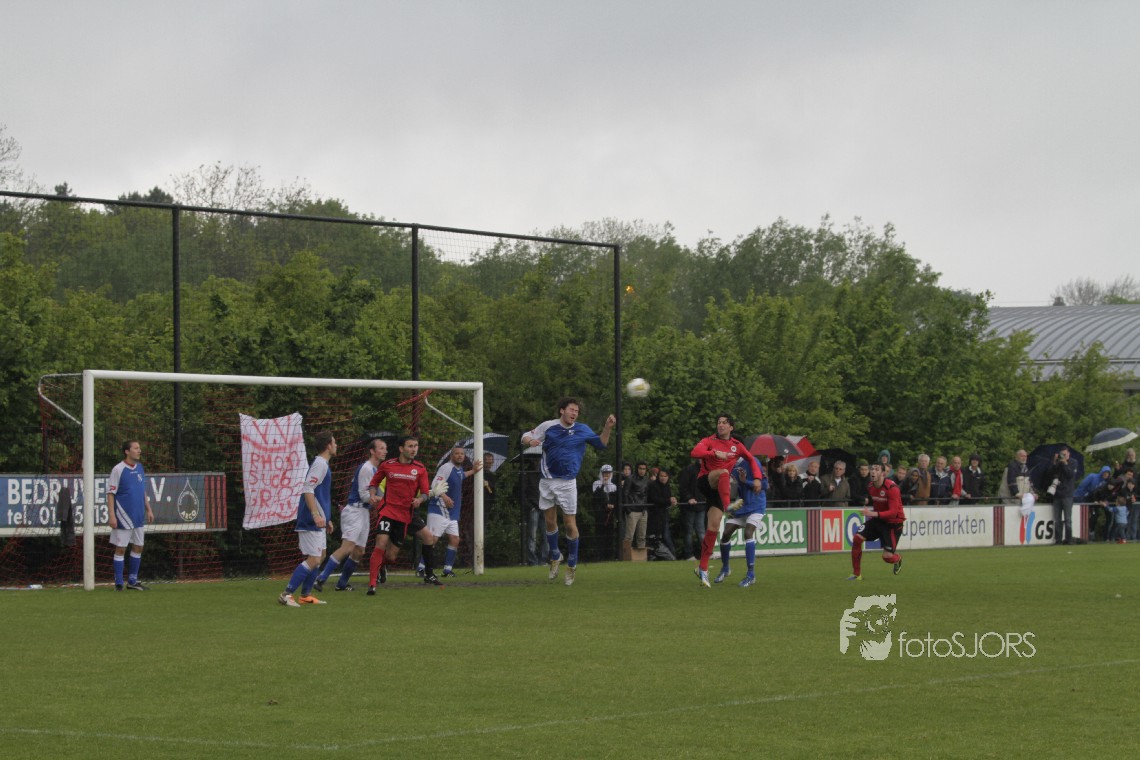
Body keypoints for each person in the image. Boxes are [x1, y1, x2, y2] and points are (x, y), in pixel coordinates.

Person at [521, 397, 616, 586]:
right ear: (562, 411)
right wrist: (531, 440)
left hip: (567, 483)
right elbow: (524, 436)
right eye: (572, 410)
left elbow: (601, 443)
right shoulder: (548, 426)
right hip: (547, 481)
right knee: (550, 522)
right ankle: (556, 555)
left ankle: (572, 564)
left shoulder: (582, 429)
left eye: (577, 411)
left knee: (570, 524)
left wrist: (607, 427)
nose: (574, 413)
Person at [689, 414, 763, 588]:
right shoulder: (709, 440)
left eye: (724, 423)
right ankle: (728, 505)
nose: (720, 425)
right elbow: (695, 452)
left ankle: (703, 568)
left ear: (731, 427)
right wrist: (713, 453)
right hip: (706, 481)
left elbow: (751, 459)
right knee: (723, 473)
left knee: (713, 527)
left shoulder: (737, 446)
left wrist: (757, 478)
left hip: (718, 491)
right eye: (719, 422)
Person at [365, 435, 442, 592]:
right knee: (380, 542)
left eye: (416, 446)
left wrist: (420, 499)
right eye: (410, 446)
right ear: (401, 449)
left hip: (407, 513)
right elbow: (374, 482)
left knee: (392, 556)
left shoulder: (420, 469)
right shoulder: (388, 465)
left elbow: (425, 492)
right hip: (388, 511)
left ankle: (383, 567)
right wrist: (372, 494)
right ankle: (372, 584)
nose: (414, 449)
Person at [314, 436, 386, 592]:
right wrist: (384, 500)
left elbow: (373, 496)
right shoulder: (367, 468)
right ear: (372, 451)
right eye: (381, 448)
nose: (384, 451)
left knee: (359, 551)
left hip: (363, 512)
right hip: (354, 510)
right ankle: (321, 579)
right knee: (347, 547)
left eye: (385, 449)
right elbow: (364, 495)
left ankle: (341, 584)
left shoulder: (375, 470)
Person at [279, 431, 337, 607]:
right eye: (334, 442)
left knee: (321, 555)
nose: (336, 445)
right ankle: (286, 594)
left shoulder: (323, 464)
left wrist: (326, 517)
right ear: (328, 445)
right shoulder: (320, 464)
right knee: (314, 559)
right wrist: (315, 515)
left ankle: (305, 595)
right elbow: (308, 488)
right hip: (310, 520)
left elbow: (320, 494)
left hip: (318, 520)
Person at [417, 445, 483, 577]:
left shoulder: (459, 469)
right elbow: (435, 484)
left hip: (452, 512)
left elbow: (461, 476)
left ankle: (447, 570)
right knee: (432, 539)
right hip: (439, 509)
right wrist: (444, 496)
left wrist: (473, 471)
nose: (460, 456)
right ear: (451, 456)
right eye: (457, 453)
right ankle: (421, 568)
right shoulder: (446, 468)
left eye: (462, 454)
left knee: (455, 539)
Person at [107, 440, 154, 592]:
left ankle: (132, 581)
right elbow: (110, 493)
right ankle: (119, 583)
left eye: (139, 448)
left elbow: (142, 490)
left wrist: (148, 509)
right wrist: (112, 515)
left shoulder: (140, 467)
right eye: (136, 448)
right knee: (121, 548)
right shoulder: (118, 469)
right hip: (123, 515)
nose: (139, 450)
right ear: (127, 451)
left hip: (138, 514)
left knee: (138, 546)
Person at [713, 456, 767, 587]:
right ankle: (725, 568)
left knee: (748, 534)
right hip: (742, 505)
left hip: (756, 505)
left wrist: (745, 481)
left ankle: (751, 574)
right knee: (726, 533)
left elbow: (764, 485)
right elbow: (732, 490)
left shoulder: (752, 462)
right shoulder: (729, 465)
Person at [847, 462, 905, 581]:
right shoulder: (870, 486)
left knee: (887, 557)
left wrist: (872, 513)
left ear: (883, 473)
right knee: (857, 538)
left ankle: (897, 559)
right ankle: (856, 575)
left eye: (877, 469)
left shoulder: (892, 488)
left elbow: (893, 512)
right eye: (872, 469)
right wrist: (865, 501)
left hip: (893, 524)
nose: (873, 471)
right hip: (878, 520)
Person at [676, 460, 705, 560]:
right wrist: (689, 498)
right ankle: (689, 554)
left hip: (701, 505)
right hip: (689, 506)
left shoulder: (707, 469)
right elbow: (683, 487)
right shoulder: (689, 470)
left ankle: (706, 553)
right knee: (689, 531)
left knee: (701, 531)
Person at [646, 467, 678, 560]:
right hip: (654, 515)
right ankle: (671, 556)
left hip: (663, 514)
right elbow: (655, 499)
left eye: (665, 476)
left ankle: (668, 556)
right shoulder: (653, 485)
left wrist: (672, 500)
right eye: (661, 476)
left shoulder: (667, 486)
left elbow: (667, 498)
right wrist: (669, 501)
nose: (663, 478)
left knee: (664, 535)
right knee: (658, 536)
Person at [1049, 447, 1078, 545]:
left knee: (1067, 519)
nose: (1063, 456)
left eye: (1065, 454)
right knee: (1057, 519)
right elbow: (1051, 474)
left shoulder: (1073, 462)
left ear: (1068, 454)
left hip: (1067, 494)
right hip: (1057, 494)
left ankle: (1068, 539)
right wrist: (1054, 463)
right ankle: (1058, 539)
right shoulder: (1057, 463)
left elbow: (1070, 475)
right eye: (1062, 454)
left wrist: (1065, 463)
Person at [591, 464, 619, 561]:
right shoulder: (596, 484)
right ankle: (599, 556)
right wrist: (603, 484)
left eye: (608, 473)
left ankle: (609, 556)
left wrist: (612, 505)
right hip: (600, 514)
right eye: (604, 473)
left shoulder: (614, 486)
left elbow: (615, 500)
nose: (606, 475)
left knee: (610, 535)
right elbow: (596, 498)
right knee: (600, 535)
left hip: (610, 514)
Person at [622, 461, 651, 556]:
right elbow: (625, 494)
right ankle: (625, 557)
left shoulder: (647, 480)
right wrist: (628, 509)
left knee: (642, 537)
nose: (642, 471)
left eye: (644, 469)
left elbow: (648, 494)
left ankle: (641, 558)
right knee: (629, 536)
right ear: (637, 469)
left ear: (646, 470)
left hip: (643, 511)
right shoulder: (630, 479)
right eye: (640, 468)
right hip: (633, 510)